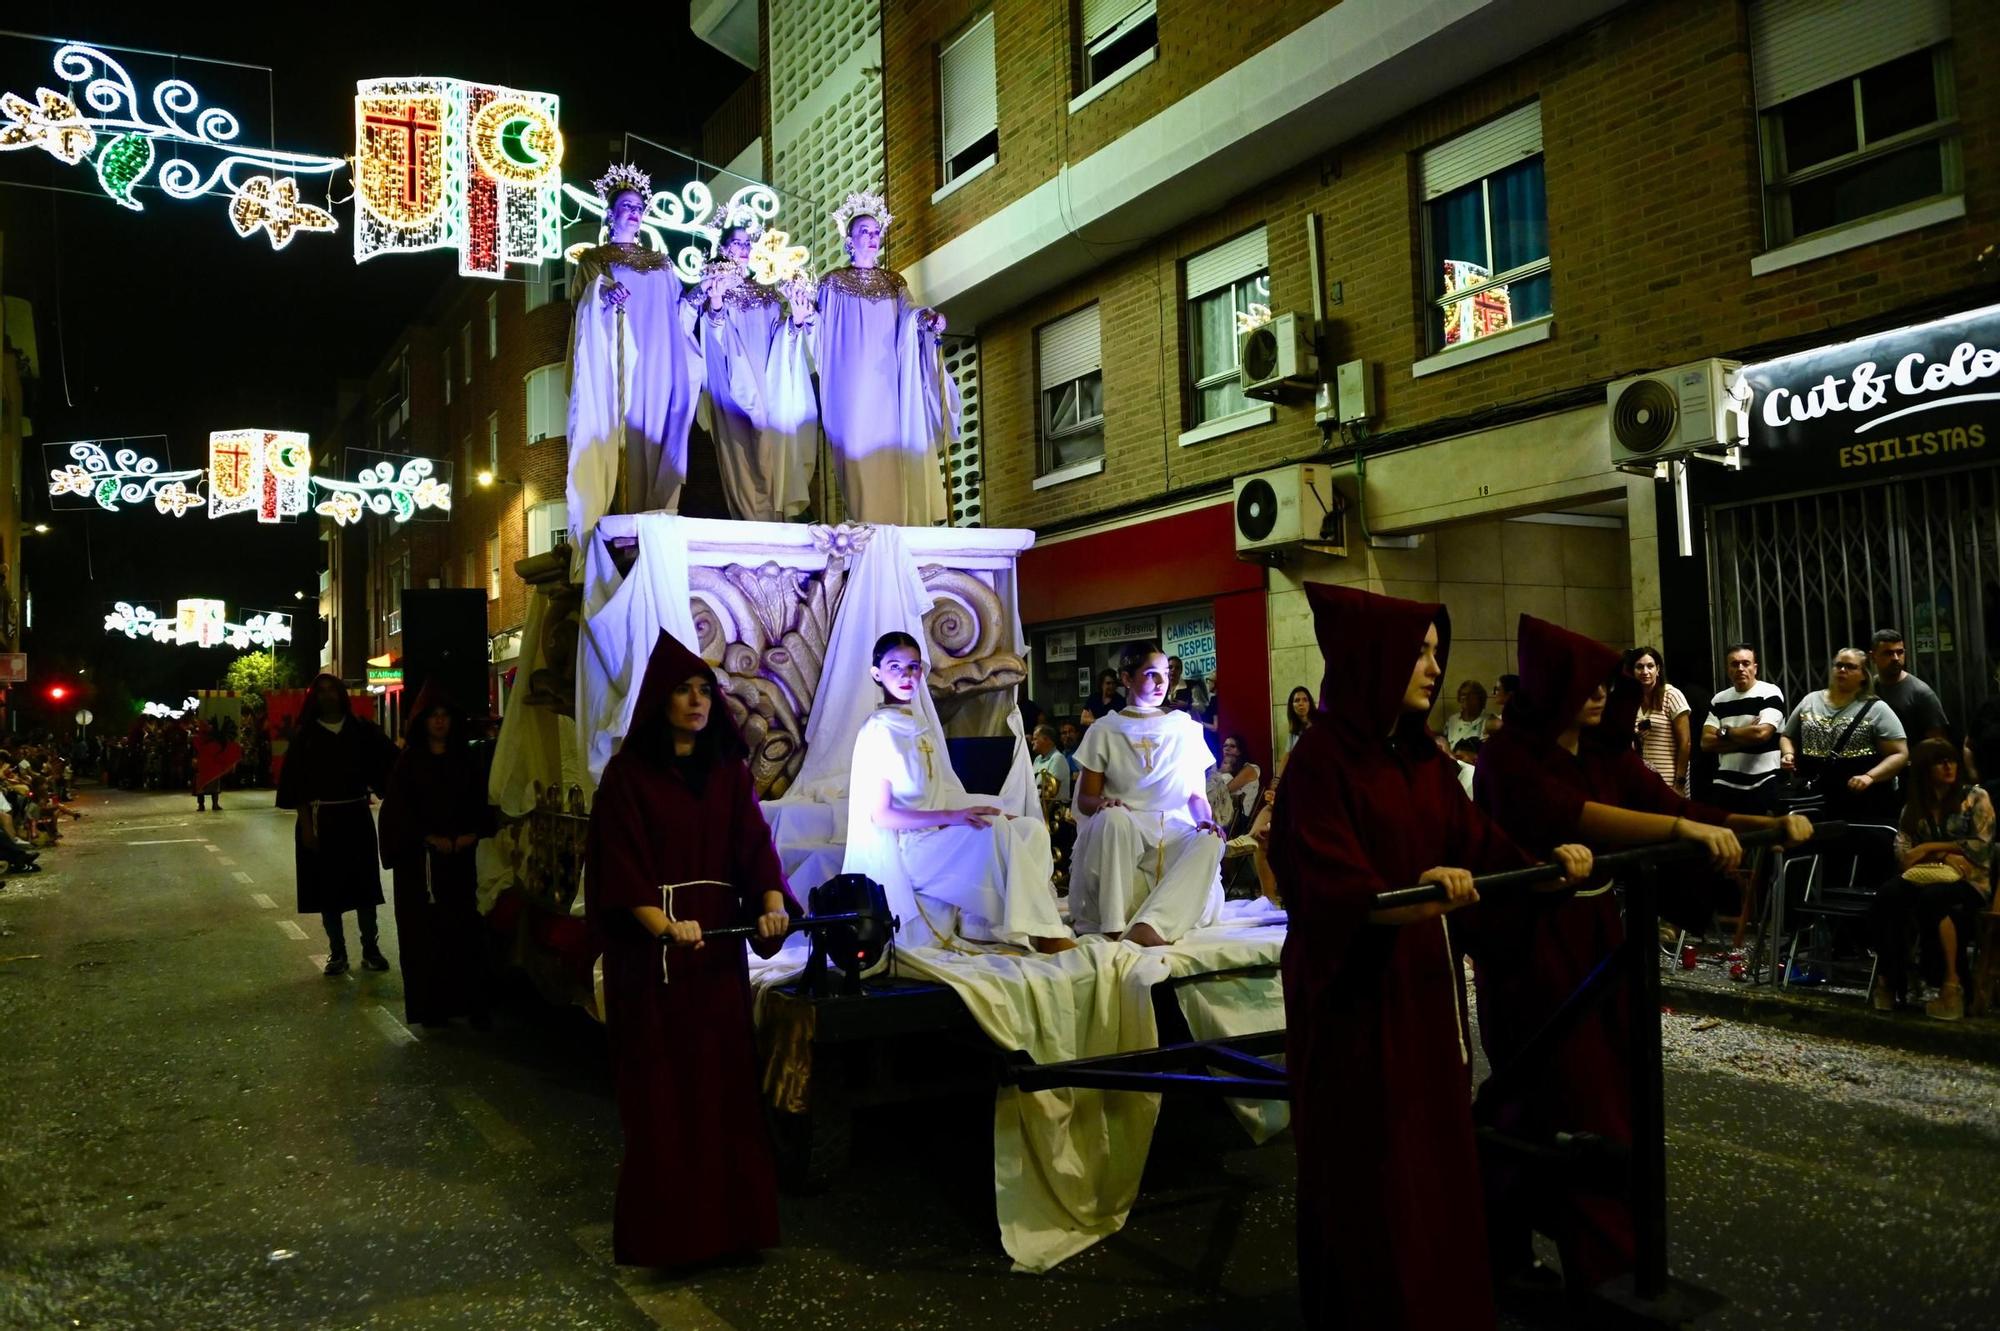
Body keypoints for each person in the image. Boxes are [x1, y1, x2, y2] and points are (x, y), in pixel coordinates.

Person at [1272, 584, 1592, 1330]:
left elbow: (1479, 845)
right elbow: (1324, 878)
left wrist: (1548, 865)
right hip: (1353, 997)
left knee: (1430, 1161)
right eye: (1416, 650)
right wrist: (1403, 893)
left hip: (1421, 987)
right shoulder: (1324, 760)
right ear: (1370, 657)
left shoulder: (1420, 759)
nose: (1432, 665)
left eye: (1435, 651)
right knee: (1372, 1167)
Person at [1471, 615, 1806, 1291]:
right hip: (1535, 949)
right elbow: (1578, 815)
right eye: (1583, 683)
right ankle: (1596, 1259)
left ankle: (1586, 1249)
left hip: (1598, 940)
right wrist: (1679, 825)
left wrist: (1764, 825)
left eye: (1604, 683)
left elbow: (1665, 800)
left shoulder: (1601, 754)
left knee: (1611, 1090)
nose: (1598, 694)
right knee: (1562, 1094)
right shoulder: (1510, 756)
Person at [584, 630, 799, 1267]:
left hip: (715, 962)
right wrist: (662, 925)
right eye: (683, 690)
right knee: (665, 1099)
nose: (697, 701)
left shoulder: (729, 773)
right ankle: (672, 1239)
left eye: (705, 690)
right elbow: (619, 867)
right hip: (653, 968)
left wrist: (771, 903)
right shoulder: (627, 776)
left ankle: (734, 1231)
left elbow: (754, 846)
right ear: (661, 700)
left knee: (724, 1093)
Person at [846, 633, 1074, 952]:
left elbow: (944, 792)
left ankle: (986, 926)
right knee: (995, 832)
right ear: (877, 674)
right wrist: (953, 817)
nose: (906, 675)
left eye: (913, 667)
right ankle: (1045, 933)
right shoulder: (878, 731)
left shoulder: (922, 727)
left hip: (938, 838)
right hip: (911, 849)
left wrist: (982, 809)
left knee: (1030, 829)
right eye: (894, 666)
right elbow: (882, 815)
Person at [566, 163, 704, 573]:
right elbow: (583, 307)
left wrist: (698, 299)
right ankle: (616, 537)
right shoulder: (594, 260)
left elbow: (676, 313)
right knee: (618, 445)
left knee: (656, 443)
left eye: (639, 206)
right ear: (610, 213)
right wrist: (605, 299)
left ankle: (652, 530)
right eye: (626, 205)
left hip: (657, 367)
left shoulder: (661, 263)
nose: (634, 211)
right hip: (618, 365)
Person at [812, 190, 958, 525]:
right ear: (849, 239)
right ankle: (867, 530)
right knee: (858, 460)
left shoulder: (894, 282)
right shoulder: (833, 283)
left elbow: (910, 311)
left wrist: (927, 319)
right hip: (852, 389)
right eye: (864, 231)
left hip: (888, 387)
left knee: (895, 459)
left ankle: (898, 531)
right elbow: (818, 331)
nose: (872, 236)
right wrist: (804, 316)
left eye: (876, 231)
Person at [1071, 641, 1225, 948]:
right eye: (1151, 674)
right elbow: (1085, 801)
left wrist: (1206, 821)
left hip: (1173, 831)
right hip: (1125, 835)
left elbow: (1196, 796)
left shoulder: (1184, 727)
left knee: (1211, 840)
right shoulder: (1105, 729)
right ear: (1127, 679)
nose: (1161, 682)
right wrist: (1104, 804)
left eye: (1165, 674)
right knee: (1114, 818)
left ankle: (1150, 925)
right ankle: (1114, 926)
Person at [377, 684, 495, 1029]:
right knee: (426, 937)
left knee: (466, 933)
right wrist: (428, 838)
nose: (440, 723)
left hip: (462, 862)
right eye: (434, 717)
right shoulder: (409, 763)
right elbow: (398, 812)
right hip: (423, 868)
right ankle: (433, 1007)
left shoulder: (466, 759)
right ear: (423, 721)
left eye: (445, 716)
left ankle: (471, 1002)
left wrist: (472, 834)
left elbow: (479, 802)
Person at [690, 209, 817, 522]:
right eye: (737, 243)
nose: (744, 249)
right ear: (723, 248)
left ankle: (776, 529)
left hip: (769, 385)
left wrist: (797, 323)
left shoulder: (768, 293)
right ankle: (753, 526)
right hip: (733, 386)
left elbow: (781, 338)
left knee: (773, 456)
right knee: (745, 458)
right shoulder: (714, 289)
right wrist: (716, 305)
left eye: (748, 243)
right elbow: (712, 335)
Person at [276, 675, 397, 976]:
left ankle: (371, 949)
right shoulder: (305, 738)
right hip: (321, 821)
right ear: (314, 697)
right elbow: (297, 787)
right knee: (327, 888)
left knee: (365, 888)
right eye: (322, 691)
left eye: (333, 690)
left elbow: (391, 764)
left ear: (342, 695)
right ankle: (337, 952)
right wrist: (306, 827)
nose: (328, 696)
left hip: (356, 817)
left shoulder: (361, 731)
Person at [1872, 738, 1995, 1021]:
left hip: (1971, 880)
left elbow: (1981, 846)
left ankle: (1952, 985)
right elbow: (1903, 855)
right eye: (1939, 762)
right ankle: (1890, 979)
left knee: (1935, 899)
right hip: (1926, 877)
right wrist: (1944, 855)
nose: (1948, 766)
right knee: (1888, 896)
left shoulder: (1975, 798)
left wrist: (1928, 848)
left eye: (1951, 760)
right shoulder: (1915, 808)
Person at [1778, 647, 1909, 825]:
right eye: (1838, 665)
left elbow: (1899, 754)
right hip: (1815, 796)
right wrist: (1788, 754)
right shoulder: (1810, 700)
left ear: (1864, 674)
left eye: (1850, 667)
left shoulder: (1876, 709)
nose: (1842, 670)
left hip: (1859, 799)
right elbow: (1787, 736)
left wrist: (1870, 777)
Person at [1701, 643, 1786, 813]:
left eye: (1745, 663)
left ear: (1755, 668)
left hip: (1765, 779)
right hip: (1725, 780)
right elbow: (1706, 743)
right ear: (1728, 669)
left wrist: (1724, 732)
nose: (1740, 668)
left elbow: (1761, 733)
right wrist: (1747, 738)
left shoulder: (1770, 692)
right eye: (1734, 664)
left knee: (1764, 835)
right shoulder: (1719, 699)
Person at [1627, 645, 1690, 795]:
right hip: (1642, 782)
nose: (1645, 672)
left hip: (1669, 781)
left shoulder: (1671, 695)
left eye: (1650, 666)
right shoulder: (1630, 700)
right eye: (1639, 667)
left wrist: (1679, 783)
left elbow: (1685, 743)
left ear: (1658, 669)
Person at [1869, 628, 1950, 744]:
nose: (1896, 658)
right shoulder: (1867, 689)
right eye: (1888, 653)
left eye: (1900, 652)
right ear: (1873, 657)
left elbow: (1937, 742)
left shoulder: (1920, 692)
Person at [1207, 733, 1261, 835]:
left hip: (1239, 819)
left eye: (1232, 746)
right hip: (1221, 814)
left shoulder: (1251, 768)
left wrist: (1222, 772)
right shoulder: (1223, 770)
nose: (1227, 749)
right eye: (1225, 746)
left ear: (1240, 751)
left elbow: (1226, 790)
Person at [191, 718, 241, 812]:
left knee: (214, 784)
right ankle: (201, 805)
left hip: (213, 762)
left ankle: (214, 804)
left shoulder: (215, 736)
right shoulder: (199, 737)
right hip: (203, 762)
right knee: (201, 785)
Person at [1030, 722, 1072, 809]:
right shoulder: (1038, 759)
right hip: (1036, 806)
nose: (1032, 742)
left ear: (1046, 740)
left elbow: (1050, 793)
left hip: (1053, 812)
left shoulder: (1057, 759)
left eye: (1035, 739)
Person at [1441, 679, 1488, 750]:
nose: (1464, 698)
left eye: (1470, 695)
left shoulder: (1489, 721)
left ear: (1480, 698)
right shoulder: (1452, 720)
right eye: (1462, 694)